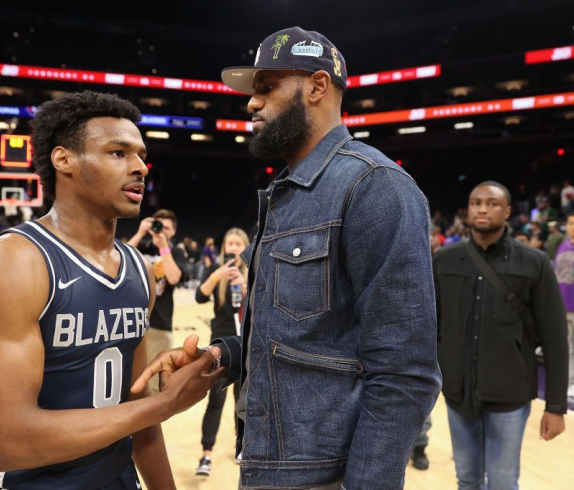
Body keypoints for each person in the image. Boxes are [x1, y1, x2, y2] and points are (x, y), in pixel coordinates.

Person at [136, 26, 441, 489]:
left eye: (267, 87)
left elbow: (405, 373)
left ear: (318, 86)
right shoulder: (287, 194)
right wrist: (222, 356)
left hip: (324, 476)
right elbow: (302, 338)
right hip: (269, 461)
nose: (252, 103)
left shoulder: (375, 186)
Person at [0, 91, 221, 490]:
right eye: (118, 153)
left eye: (140, 155)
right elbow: (7, 442)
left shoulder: (137, 268)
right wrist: (163, 405)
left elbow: (137, 411)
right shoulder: (13, 262)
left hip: (116, 479)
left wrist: (154, 414)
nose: (140, 167)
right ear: (64, 159)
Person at [435, 181, 568, 489]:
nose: (482, 208)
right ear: (468, 209)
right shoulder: (443, 261)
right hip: (458, 395)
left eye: (492, 203)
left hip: (510, 396)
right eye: (476, 202)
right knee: (466, 480)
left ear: (507, 211)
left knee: (503, 482)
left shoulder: (533, 263)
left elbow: (555, 339)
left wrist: (556, 407)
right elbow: (432, 327)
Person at [194, 228, 249, 477]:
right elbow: (199, 296)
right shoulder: (217, 274)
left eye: (239, 244)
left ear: (246, 246)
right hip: (220, 346)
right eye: (230, 243)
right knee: (215, 401)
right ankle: (206, 455)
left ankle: (242, 447)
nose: (234, 247)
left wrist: (246, 286)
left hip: (246, 344)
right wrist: (217, 275)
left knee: (243, 401)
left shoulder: (252, 273)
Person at [127, 209, 188, 392]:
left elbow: (174, 278)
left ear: (174, 231)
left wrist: (163, 246)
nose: (162, 231)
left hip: (160, 324)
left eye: (167, 228)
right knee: (130, 380)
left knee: (153, 385)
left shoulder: (176, 252)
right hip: (134, 321)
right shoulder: (143, 247)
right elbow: (120, 259)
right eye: (159, 226)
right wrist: (140, 232)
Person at [553, 211, 574, 402]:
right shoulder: (562, 246)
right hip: (563, 304)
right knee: (567, 347)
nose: (571, 227)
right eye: (569, 223)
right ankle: (569, 382)